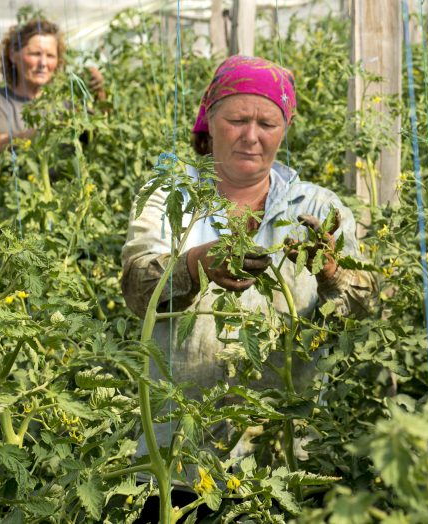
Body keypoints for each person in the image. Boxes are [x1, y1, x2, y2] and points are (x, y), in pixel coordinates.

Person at [120, 55, 377, 517]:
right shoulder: (170, 197)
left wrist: (331, 271)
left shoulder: (318, 206)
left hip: (279, 458)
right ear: (210, 122)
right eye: (237, 119)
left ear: (285, 128)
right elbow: (138, 288)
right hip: (174, 455)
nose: (251, 135)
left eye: (267, 122)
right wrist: (196, 263)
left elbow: (363, 308)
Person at [0, 18, 105, 154]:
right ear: (13, 55)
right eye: (35, 54)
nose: (43, 63)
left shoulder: (67, 98)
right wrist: (50, 128)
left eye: (50, 55)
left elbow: (100, 133)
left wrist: (99, 93)